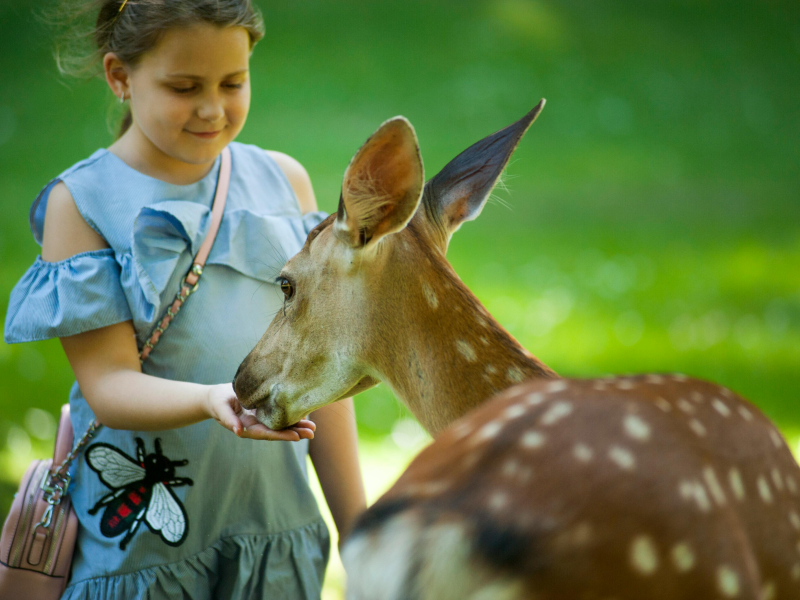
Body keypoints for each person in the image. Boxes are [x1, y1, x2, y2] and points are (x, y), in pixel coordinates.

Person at [3, 0, 366, 597]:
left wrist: (359, 535)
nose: (212, 108)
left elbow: (322, 376)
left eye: (233, 82)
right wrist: (210, 398)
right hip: (146, 556)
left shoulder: (284, 182)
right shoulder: (83, 203)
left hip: (273, 536)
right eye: (183, 86)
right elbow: (109, 386)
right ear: (120, 76)